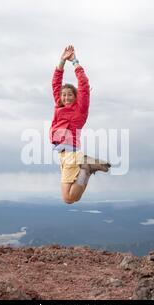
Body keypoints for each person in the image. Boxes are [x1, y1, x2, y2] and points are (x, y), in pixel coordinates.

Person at [50, 45, 111, 204]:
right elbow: (56, 83)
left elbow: (83, 83)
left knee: (69, 198)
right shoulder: (59, 106)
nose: (66, 97)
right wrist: (61, 61)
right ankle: (86, 168)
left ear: (76, 97)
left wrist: (75, 61)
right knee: (69, 197)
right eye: (64, 95)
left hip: (71, 153)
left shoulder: (80, 110)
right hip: (64, 154)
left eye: (70, 95)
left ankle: (87, 168)